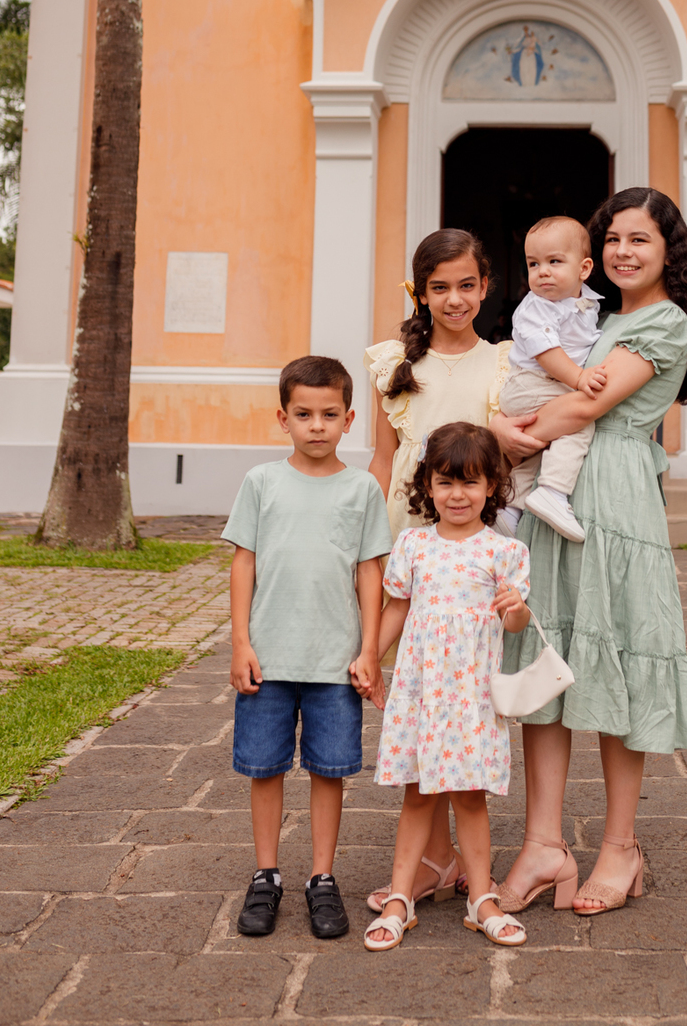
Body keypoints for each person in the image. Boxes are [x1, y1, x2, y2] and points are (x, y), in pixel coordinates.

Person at [491, 188, 687, 917]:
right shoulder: (595, 315)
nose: (627, 252)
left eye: (642, 240)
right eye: (617, 240)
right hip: (553, 501)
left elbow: (589, 406)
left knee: (617, 664)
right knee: (548, 662)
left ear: (669, 253)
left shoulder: (664, 321)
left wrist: (506, 429)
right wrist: (506, 425)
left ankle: (620, 847)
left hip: (616, 498)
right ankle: (543, 845)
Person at [363, 227, 521, 913]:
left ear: (485, 288)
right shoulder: (394, 365)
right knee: (410, 702)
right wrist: (366, 544)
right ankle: (431, 859)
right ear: (420, 294)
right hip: (408, 545)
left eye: (466, 285)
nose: (454, 299)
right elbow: (378, 460)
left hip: (473, 550)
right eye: (439, 288)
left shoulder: (507, 364)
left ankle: (444, 859)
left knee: (459, 705)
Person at [224, 355, 391, 941]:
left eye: (328, 415)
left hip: (333, 662)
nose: (316, 425)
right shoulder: (262, 483)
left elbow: (371, 573)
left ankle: (322, 877)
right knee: (264, 768)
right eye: (303, 414)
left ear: (348, 419)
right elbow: (242, 563)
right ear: (283, 417)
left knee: (329, 770)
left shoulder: (362, 487)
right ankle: (266, 874)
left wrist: (370, 649)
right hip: (268, 659)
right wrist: (241, 641)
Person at [363, 422, 534, 951]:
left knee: (470, 796)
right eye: (445, 483)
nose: (457, 495)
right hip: (421, 692)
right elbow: (398, 607)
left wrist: (517, 610)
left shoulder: (505, 553)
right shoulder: (413, 544)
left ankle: (481, 897)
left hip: (471, 697)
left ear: (491, 487)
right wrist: (370, 655)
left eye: (471, 483)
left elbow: (515, 625)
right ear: (428, 487)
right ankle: (399, 898)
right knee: (417, 794)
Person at [495, 215, 608, 543]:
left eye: (554, 261)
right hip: (531, 384)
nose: (542, 271)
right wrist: (579, 377)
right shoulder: (537, 307)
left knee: (545, 448)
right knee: (578, 423)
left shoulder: (585, 302)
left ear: (584, 269)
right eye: (533, 264)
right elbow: (547, 352)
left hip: (545, 385)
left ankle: (510, 507)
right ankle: (554, 492)